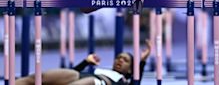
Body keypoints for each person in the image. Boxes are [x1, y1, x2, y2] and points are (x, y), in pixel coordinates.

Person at [16, 39, 152, 85]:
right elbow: (75, 71)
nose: (120, 60)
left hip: (99, 83)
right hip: (81, 76)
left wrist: (142, 61)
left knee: (90, 82)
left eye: (125, 60)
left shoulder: (125, 81)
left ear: (130, 69)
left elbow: (136, 81)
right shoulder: (102, 69)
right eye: (118, 58)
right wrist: (86, 62)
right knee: (39, 78)